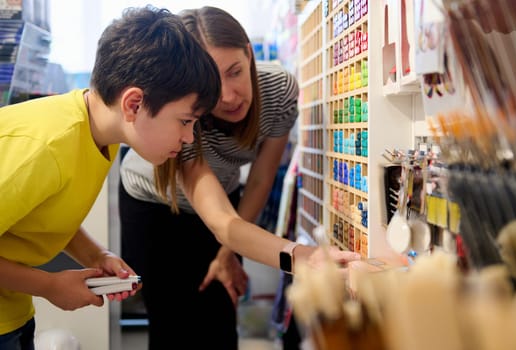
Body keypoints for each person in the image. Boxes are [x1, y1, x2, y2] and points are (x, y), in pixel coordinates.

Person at [118, 6, 360, 350]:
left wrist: (227, 252)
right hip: (153, 204)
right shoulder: (187, 114)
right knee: (172, 321)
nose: (230, 95)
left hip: (225, 203)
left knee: (220, 313)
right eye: (214, 85)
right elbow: (219, 222)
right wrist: (301, 255)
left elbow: (260, 180)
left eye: (235, 72)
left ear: (249, 53)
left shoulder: (278, 90)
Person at [0, 6, 222, 349]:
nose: (189, 138)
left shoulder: (97, 134)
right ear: (133, 104)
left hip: (11, 314)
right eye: (185, 121)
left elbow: (43, 212)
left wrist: (96, 256)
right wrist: (49, 286)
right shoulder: (46, 147)